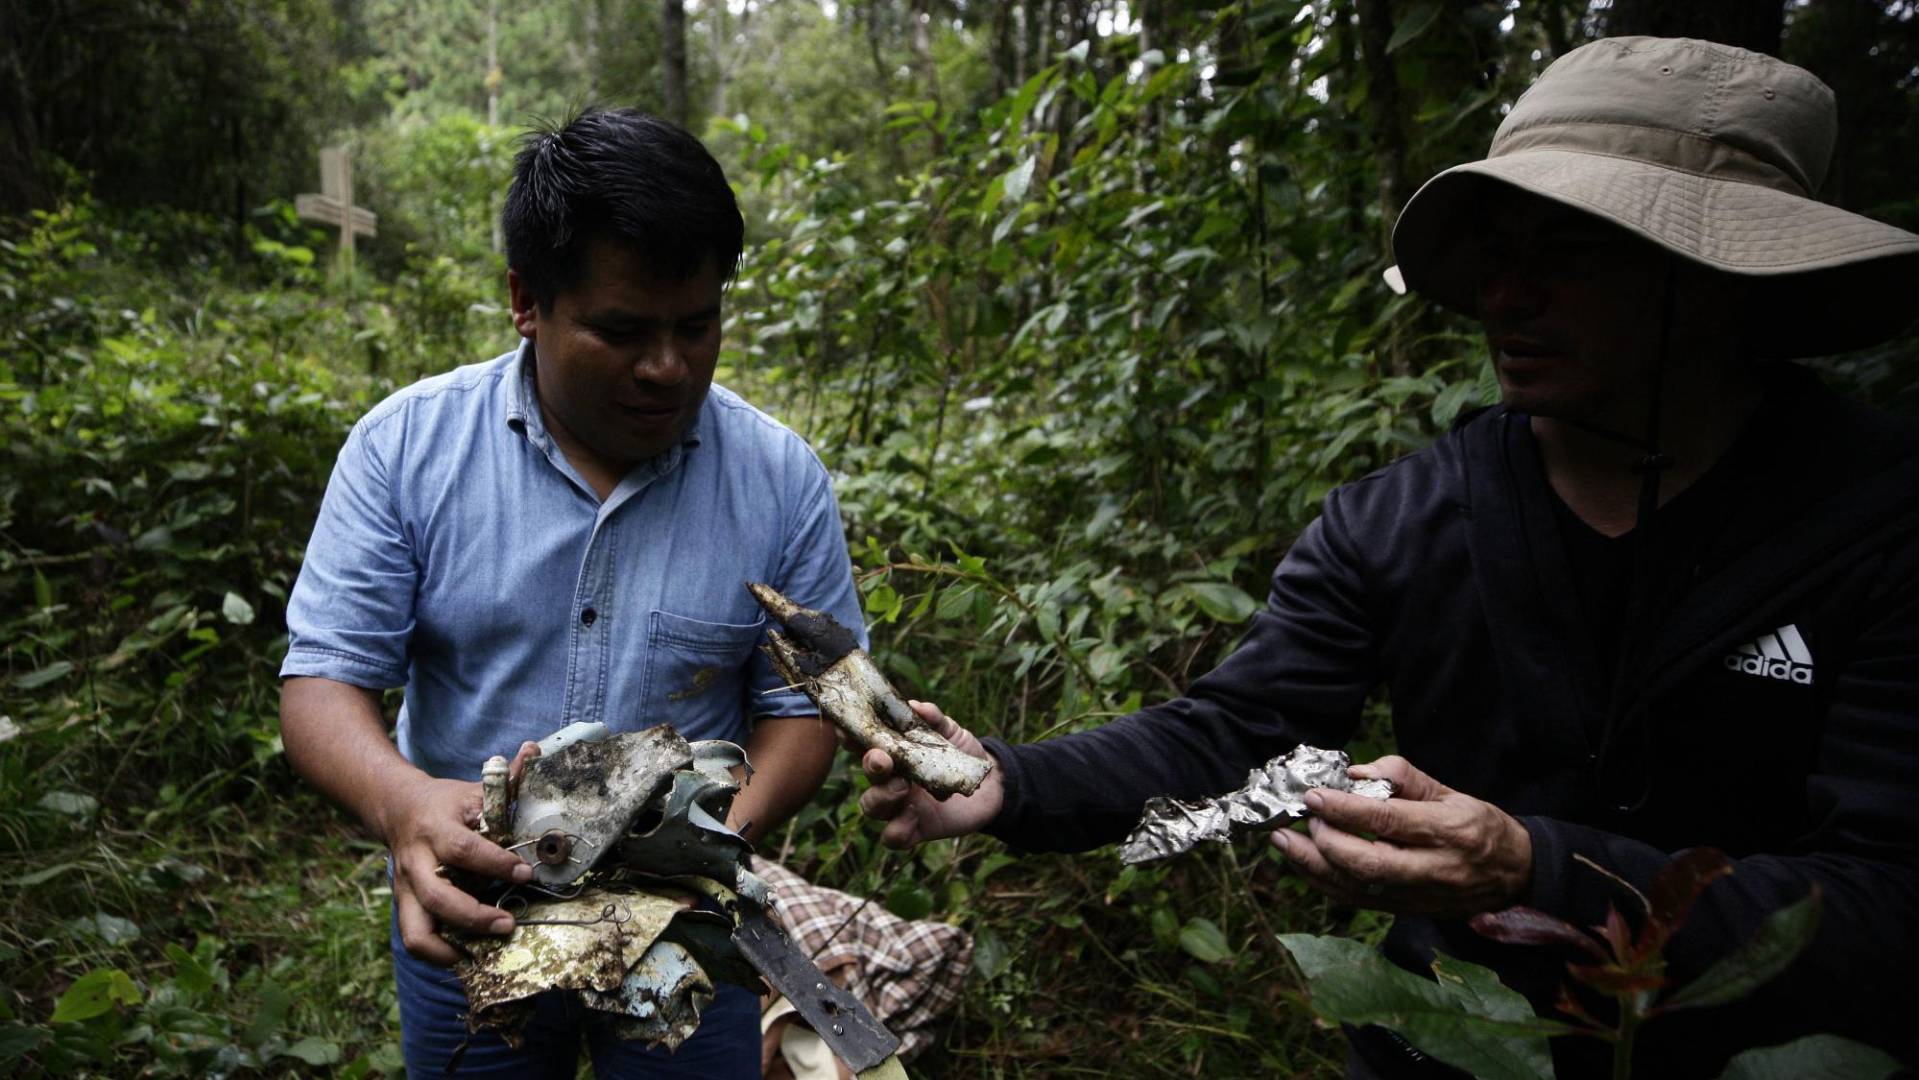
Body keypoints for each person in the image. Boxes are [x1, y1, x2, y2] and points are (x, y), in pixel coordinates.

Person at [860, 36, 1919, 1078]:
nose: (1503, 298)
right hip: (1461, 1038)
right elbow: (1239, 731)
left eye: (1569, 257)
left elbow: (1887, 911)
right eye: (1494, 254)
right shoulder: (1408, 518)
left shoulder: (1876, 523)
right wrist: (1009, 782)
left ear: (1717, 274)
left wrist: (1536, 870)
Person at [278, 108, 864, 1078]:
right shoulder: (405, 451)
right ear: (526, 299)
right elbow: (321, 688)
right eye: (622, 331)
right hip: (477, 909)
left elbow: (799, 709)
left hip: (689, 928)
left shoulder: (779, 481)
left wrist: (706, 847)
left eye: (697, 325)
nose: (668, 367)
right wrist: (405, 806)